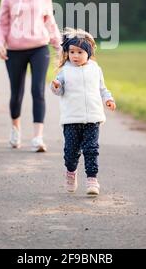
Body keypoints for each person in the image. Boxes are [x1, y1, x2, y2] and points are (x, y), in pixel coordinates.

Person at [0, 0, 61, 152]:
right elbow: (1, 23)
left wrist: (58, 45)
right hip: (14, 50)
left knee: (38, 90)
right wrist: (0, 43)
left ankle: (38, 138)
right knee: (17, 93)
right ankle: (15, 131)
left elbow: (49, 21)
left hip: (39, 47)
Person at [50, 27, 116, 195]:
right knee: (71, 153)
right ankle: (71, 172)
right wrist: (56, 86)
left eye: (80, 52)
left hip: (93, 118)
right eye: (72, 52)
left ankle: (92, 180)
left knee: (91, 149)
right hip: (71, 120)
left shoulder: (96, 69)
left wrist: (108, 99)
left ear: (88, 52)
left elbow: (103, 89)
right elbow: (59, 90)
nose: (75, 56)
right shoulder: (65, 71)